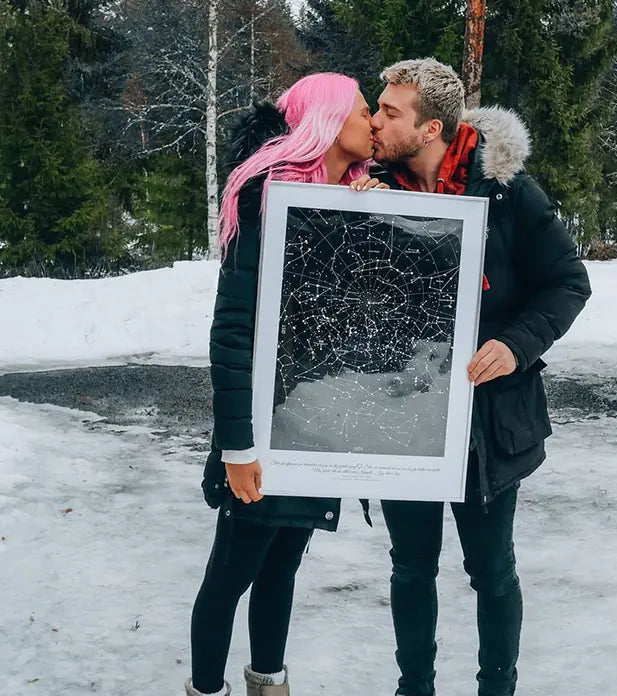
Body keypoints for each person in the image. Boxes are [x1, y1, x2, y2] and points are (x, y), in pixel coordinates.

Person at [368, 58, 593, 696]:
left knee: (491, 571)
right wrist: (346, 212)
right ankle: (415, 688)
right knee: (410, 567)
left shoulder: (507, 189)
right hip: (404, 409)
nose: (374, 119)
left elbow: (568, 283)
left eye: (389, 111)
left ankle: (498, 688)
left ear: (431, 127)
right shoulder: (366, 186)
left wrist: (516, 346)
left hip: (488, 416)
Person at [186, 73, 385, 696]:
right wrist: (238, 449)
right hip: (262, 430)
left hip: (317, 422)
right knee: (231, 572)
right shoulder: (264, 200)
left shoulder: (354, 198)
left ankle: (269, 684)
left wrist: (371, 221)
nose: (374, 121)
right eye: (362, 110)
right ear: (328, 120)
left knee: (282, 569)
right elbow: (232, 333)